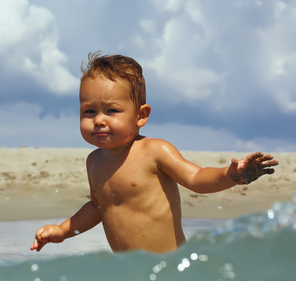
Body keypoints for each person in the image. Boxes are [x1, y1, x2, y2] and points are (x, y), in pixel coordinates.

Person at [30, 52, 278, 254]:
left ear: (141, 116)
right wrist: (63, 230)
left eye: (112, 110)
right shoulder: (94, 162)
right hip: (132, 274)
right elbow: (97, 207)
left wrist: (231, 175)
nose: (99, 120)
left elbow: (196, 179)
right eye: (89, 111)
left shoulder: (154, 150)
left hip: (170, 269)